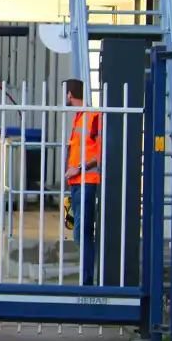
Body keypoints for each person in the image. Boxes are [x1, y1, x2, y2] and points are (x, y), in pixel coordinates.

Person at [62, 78, 101, 286]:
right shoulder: (79, 117)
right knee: (79, 231)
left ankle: (87, 281)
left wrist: (79, 168)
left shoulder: (93, 116)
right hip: (77, 182)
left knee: (85, 231)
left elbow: (101, 153)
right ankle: (85, 277)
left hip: (87, 181)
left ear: (70, 94)